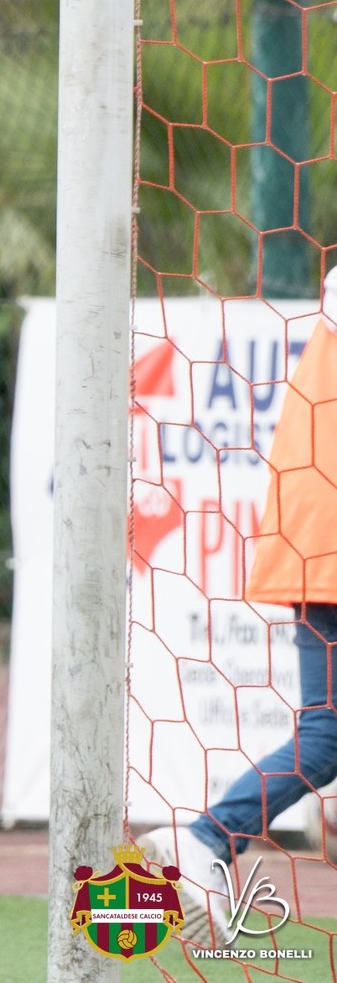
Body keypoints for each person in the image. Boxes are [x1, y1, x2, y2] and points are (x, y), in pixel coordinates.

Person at [141, 264, 337, 945]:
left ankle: (209, 839)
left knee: (327, 727)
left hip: (313, 537)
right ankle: (208, 836)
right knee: (328, 731)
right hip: (327, 539)